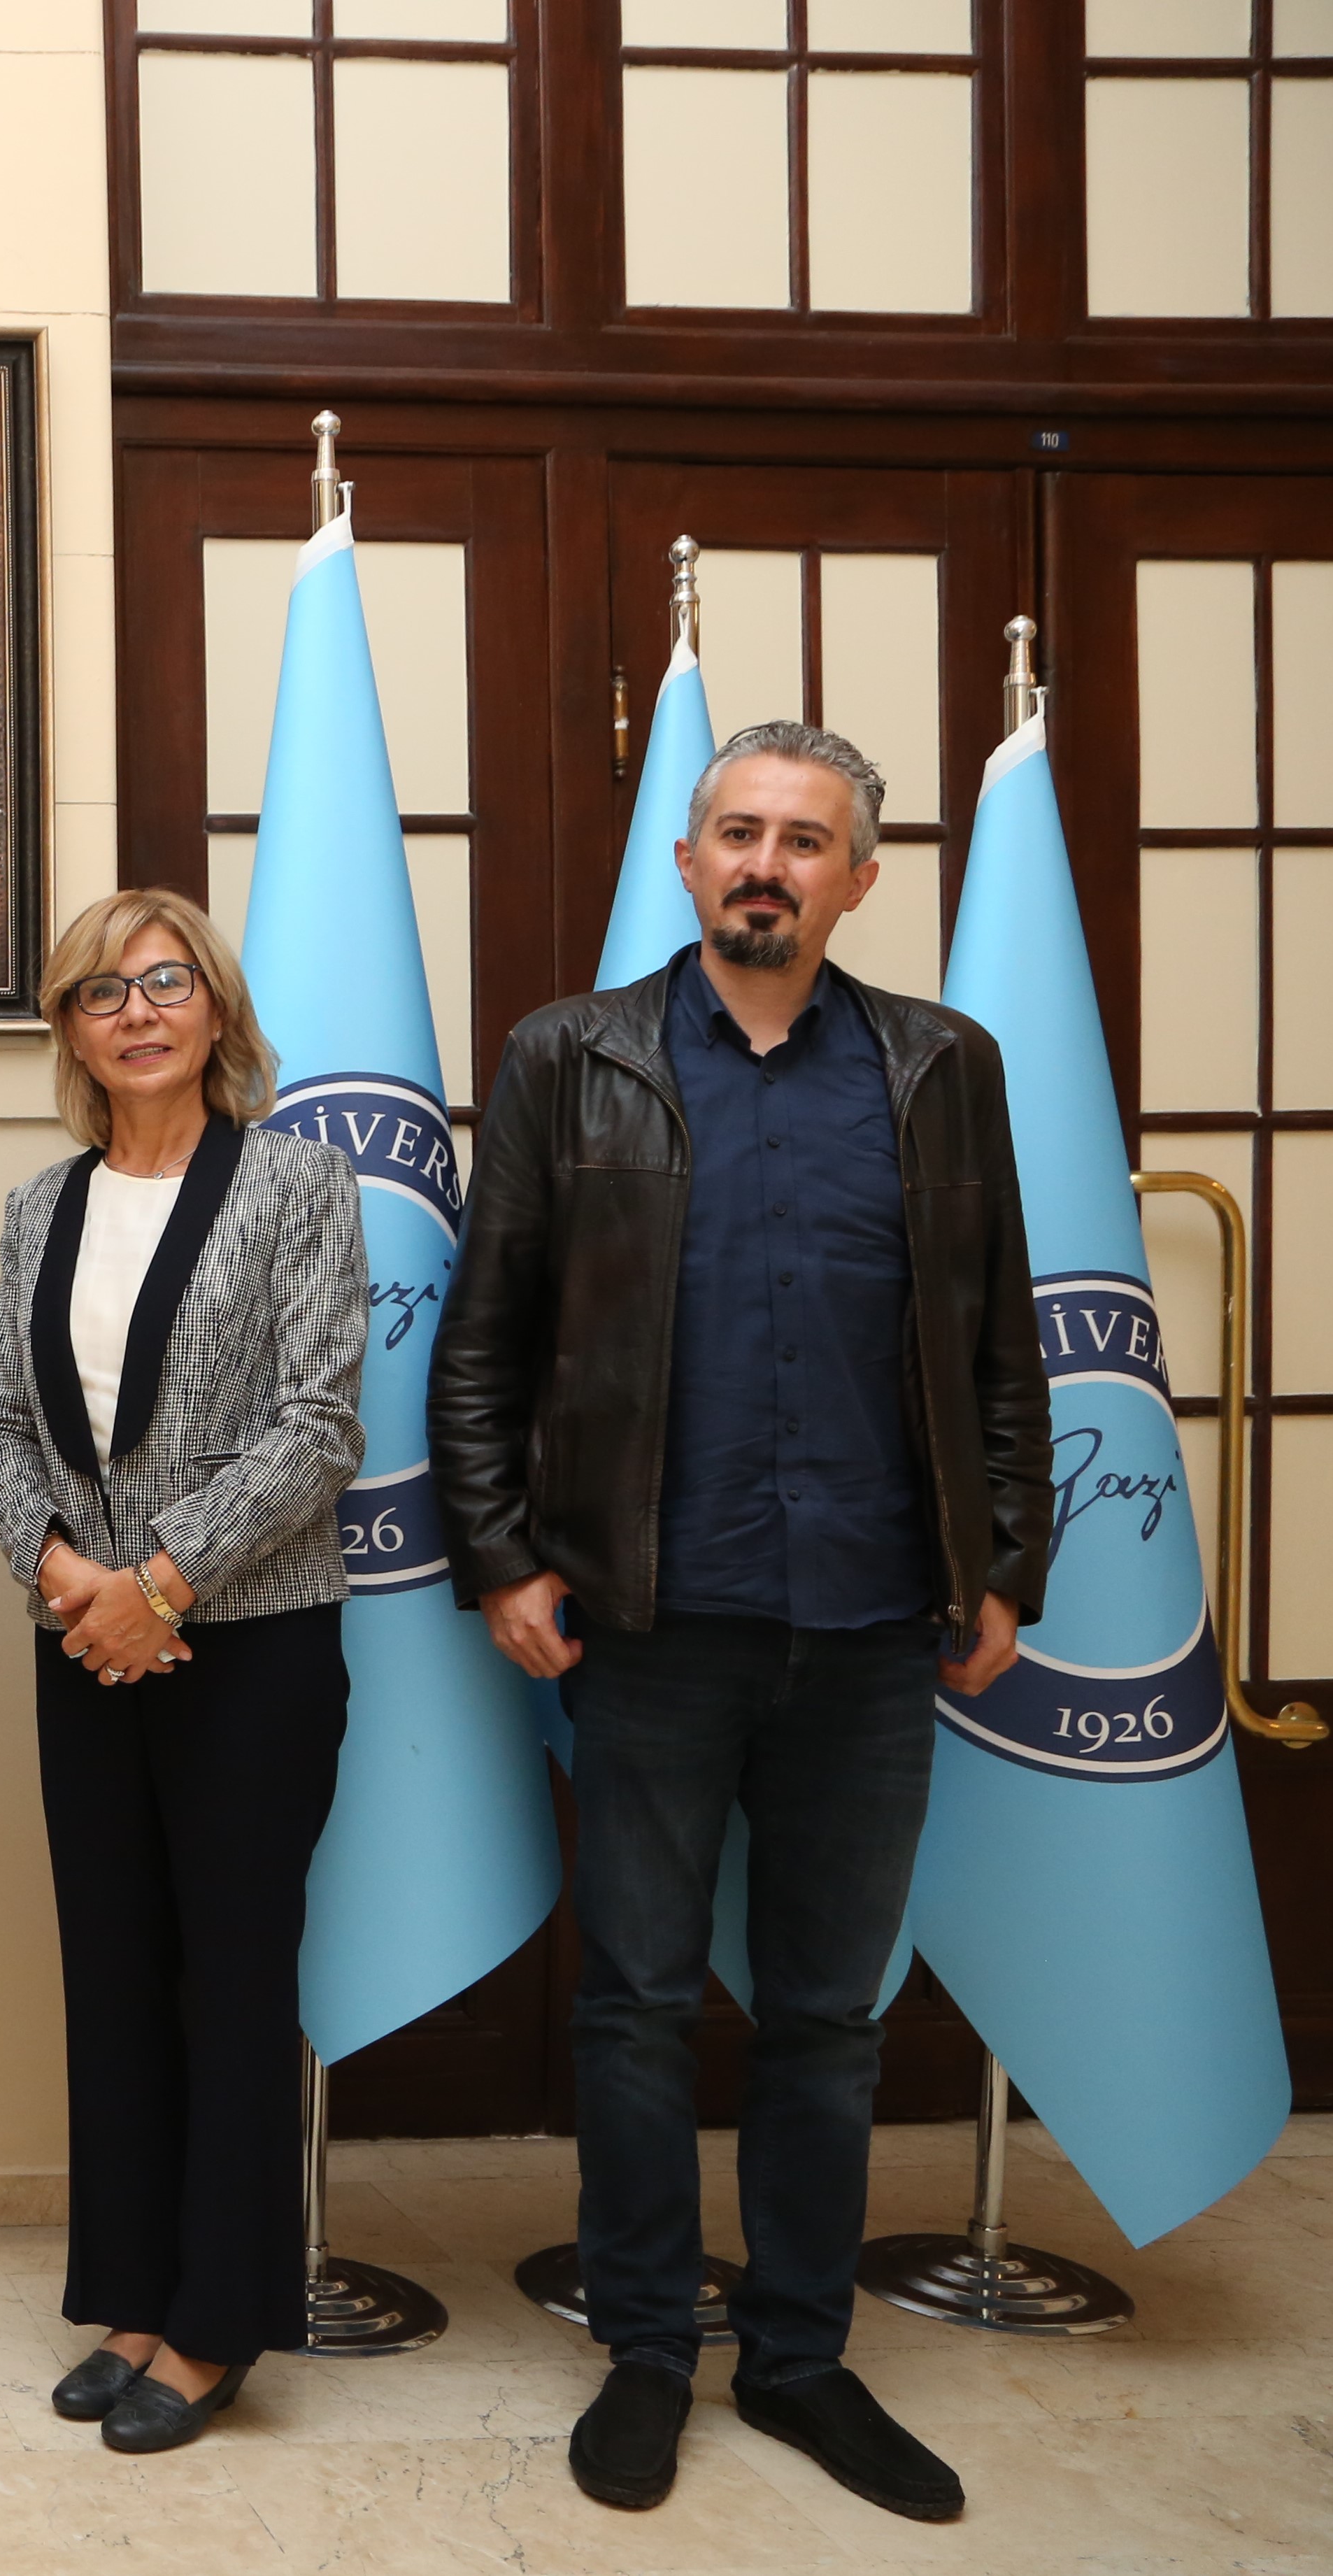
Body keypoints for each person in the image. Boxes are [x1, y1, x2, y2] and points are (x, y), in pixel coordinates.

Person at [432, 723, 1050, 2526]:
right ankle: (643, 2347)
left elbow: (1003, 1345)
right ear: (687, 865)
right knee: (628, 2007)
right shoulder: (570, 1059)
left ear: (859, 879)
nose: (764, 863)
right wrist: (498, 1556)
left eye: (805, 839)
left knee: (824, 2019)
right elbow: (483, 1342)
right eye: (735, 834)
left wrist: (1006, 1565)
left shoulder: (943, 1069)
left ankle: (795, 2356)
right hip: (650, 1616)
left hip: (874, 1631)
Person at [0, 888, 363, 2454]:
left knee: (229, 1977)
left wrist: (161, 1582)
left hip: (248, 1645)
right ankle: (131, 2291)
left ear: (213, 1008)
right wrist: (63, 1576)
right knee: (114, 1974)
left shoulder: (293, 1184)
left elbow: (318, 1424)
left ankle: (215, 2323)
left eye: (164, 982)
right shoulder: (33, 1207)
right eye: (97, 992)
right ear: (65, 1028)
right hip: (83, 1645)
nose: (134, 1012)